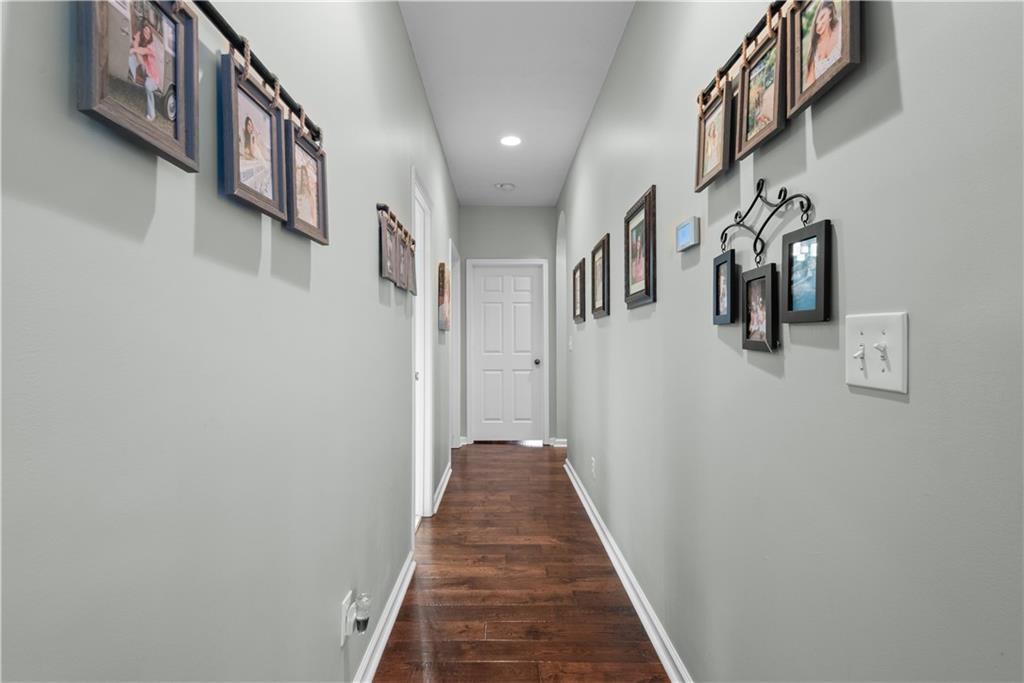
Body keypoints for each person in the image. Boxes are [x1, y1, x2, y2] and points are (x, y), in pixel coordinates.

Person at [804, 0, 842, 89]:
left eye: (822, 17)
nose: (819, 24)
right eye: (817, 22)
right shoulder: (814, 50)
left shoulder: (841, 27)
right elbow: (810, 88)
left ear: (830, 15)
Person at [128, 21, 160, 121]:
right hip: (144, 69)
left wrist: (134, 49)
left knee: (148, 87)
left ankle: (152, 115)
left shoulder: (151, 47)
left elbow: (142, 50)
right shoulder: (140, 37)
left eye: (148, 33)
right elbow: (135, 44)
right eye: (145, 30)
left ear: (150, 36)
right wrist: (137, 38)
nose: (146, 33)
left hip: (152, 77)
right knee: (133, 55)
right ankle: (132, 76)